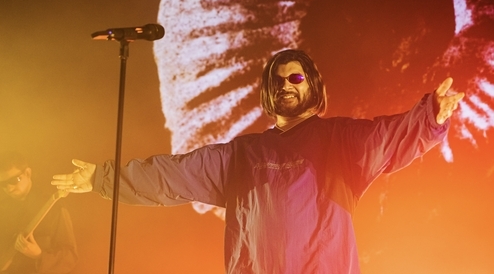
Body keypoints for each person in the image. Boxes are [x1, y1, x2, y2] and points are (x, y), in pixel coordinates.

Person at [52, 49, 464, 273]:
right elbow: (171, 176)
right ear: (269, 93)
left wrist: (431, 117)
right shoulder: (242, 154)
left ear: (312, 87)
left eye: (296, 77)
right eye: (277, 80)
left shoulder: (340, 141)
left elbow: (387, 138)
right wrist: (102, 178)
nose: (286, 84)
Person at [0, 152, 78, 274]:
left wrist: (39, 255)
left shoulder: (54, 207)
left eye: (14, 180)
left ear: (28, 173)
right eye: (3, 184)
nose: (9, 188)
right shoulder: (2, 209)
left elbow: (70, 257)